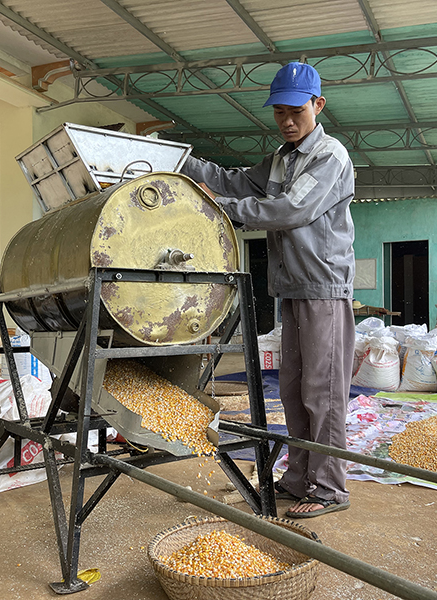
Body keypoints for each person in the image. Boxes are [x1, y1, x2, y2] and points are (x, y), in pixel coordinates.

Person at [180, 62, 355, 518]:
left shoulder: (330, 156)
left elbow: (290, 209)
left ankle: (331, 487)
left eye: (295, 110)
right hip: (291, 287)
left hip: (322, 287)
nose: (287, 120)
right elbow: (235, 181)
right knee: (294, 388)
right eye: (279, 111)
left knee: (324, 389)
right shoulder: (281, 158)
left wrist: (222, 208)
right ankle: (299, 478)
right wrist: (180, 161)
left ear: (318, 105)